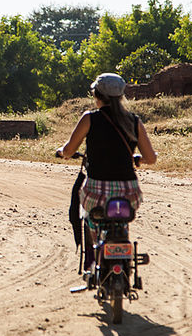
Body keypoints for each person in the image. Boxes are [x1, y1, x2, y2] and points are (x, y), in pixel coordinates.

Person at [56, 73, 156, 273]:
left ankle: (94, 258)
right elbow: (151, 158)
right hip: (129, 193)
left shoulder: (90, 119)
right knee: (120, 219)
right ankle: (121, 249)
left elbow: (68, 150)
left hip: (97, 193)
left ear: (96, 94)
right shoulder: (133, 121)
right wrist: (139, 159)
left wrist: (62, 152)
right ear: (120, 96)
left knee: (91, 217)